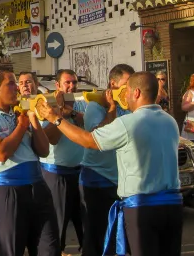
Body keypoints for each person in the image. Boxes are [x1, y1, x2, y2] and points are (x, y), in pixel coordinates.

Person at [39, 72, 183, 256]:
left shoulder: (129, 123)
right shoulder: (170, 121)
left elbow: (88, 140)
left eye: (126, 91)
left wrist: (56, 119)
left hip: (143, 208)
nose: (124, 96)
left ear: (136, 93)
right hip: (173, 206)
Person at [0, 68, 60, 256]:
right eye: (11, 83)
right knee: (10, 250)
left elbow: (43, 151)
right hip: (8, 191)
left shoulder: (21, 113)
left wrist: (33, 120)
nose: (17, 88)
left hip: (38, 186)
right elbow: (1, 152)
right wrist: (21, 126)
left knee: (49, 248)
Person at [78, 63, 134, 256]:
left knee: (115, 233)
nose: (129, 89)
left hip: (118, 180)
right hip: (97, 178)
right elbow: (98, 135)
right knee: (96, 235)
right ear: (113, 84)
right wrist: (111, 108)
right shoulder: (95, 107)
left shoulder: (126, 108)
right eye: (126, 84)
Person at [41, 69, 85, 255]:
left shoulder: (81, 104)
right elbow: (51, 138)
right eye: (67, 82)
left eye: (74, 82)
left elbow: (88, 126)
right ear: (57, 85)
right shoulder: (46, 106)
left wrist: (72, 112)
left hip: (80, 172)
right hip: (56, 174)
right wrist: (61, 115)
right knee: (58, 226)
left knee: (85, 225)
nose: (72, 86)